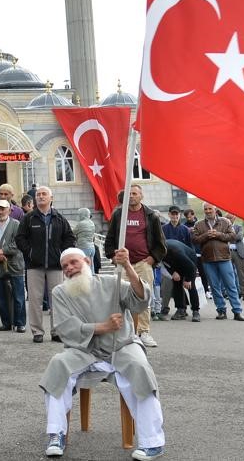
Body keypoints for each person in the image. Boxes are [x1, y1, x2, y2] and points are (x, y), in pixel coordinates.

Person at [40, 247, 165, 459]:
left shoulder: (111, 282)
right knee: (58, 364)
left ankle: (152, 442)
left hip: (121, 346)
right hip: (84, 349)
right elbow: (65, 328)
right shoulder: (59, 292)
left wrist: (126, 266)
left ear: (87, 261)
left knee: (140, 368)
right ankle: (56, 433)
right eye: (65, 267)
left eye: (74, 262)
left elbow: (141, 300)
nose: (70, 269)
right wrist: (103, 327)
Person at [104, 183, 167, 346]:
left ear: (141, 196)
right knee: (121, 298)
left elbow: (161, 242)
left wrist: (153, 258)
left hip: (143, 263)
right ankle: (124, 333)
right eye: (129, 194)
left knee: (145, 298)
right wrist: (112, 257)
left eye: (135, 193)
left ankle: (144, 332)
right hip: (123, 264)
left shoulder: (151, 215)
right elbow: (110, 239)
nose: (131, 196)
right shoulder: (118, 214)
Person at [18, 185, 76, 344]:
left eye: (44, 194)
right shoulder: (29, 218)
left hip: (55, 266)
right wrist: (30, 253)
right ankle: (37, 331)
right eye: (38, 195)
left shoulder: (59, 218)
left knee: (56, 299)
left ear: (51, 198)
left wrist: (62, 255)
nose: (41, 197)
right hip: (34, 266)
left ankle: (56, 331)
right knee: (35, 300)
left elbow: (70, 238)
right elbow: (20, 238)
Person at [192, 202, 244, 320]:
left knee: (231, 285)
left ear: (215, 209)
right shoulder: (198, 224)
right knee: (215, 287)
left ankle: (237, 311)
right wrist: (206, 235)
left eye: (210, 209)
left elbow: (232, 236)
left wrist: (218, 234)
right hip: (208, 260)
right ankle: (221, 311)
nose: (208, 211)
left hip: (224, 258)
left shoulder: (225, 222)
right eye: (206, 209)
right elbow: (194, 239)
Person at [0, 199, 26, 332]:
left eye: (3, 209)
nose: (0, 211)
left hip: (14, 265)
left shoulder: (16, 224)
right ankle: (6, 322)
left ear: (9, 210)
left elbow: (17, 243)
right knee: (1, 296)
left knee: (18, 296)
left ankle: (20, 323)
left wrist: (3, 251)